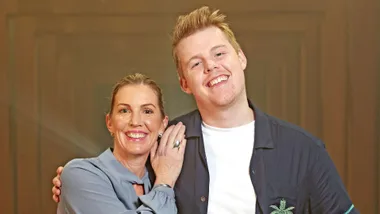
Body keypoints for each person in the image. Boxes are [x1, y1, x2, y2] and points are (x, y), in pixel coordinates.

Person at [52, 6, 358, 214]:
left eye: (220, 53)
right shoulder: (164, 147)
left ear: (241, 58)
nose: (212, 66)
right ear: (185, 83)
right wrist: (71, 181)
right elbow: (113, 176)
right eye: (196, 63)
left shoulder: (303, 150)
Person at [55, 73, 187, 214]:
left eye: (147, 111)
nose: (135, 122)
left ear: (162, 124)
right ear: (109, 122)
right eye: (124, 111)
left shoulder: (159, 177)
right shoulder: (79, 174)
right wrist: (164, 183)